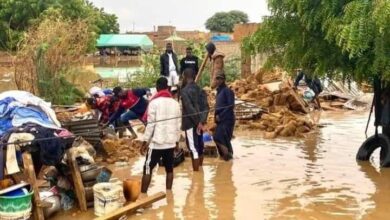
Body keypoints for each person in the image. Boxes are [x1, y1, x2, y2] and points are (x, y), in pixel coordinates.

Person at [140, 77, 181, 194]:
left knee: (147, 169)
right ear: (168, 88)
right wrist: (177, 142)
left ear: (157, 88)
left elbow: (150, 125)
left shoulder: (153, 103)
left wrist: (144, 142)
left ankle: (143, 195)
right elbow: (178, 124)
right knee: (169, 169)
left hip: (156, 144)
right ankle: (169, 195)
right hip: (170, 143)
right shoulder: (175, 103)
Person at [181, 68, 209, 171]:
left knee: (193, 149)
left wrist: (198, 122)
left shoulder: (184, 91)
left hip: (190, 124)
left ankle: (197, 177)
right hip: (199, 124)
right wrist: (202, 121)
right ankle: (200, 172)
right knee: (200, 146)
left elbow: (189, 109)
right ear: (193, 77)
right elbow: (206, 107)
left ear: (185, 77)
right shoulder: (200, 90)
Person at [213, 72, 235, 161]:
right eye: (216, 79)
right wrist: (216, 117)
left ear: (223, 80)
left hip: (227, 119)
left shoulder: (227, 91)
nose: (218, 80)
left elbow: (231, 106)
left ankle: (227, 157)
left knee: (219, 137)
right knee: (221, 138)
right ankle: (224, 158)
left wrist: (220, 116)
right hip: (220, 119)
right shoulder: (219, 92)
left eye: (220, 79)